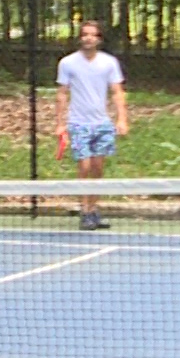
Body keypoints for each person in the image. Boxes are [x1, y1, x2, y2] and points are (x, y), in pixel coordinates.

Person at [54, 20, 129, 230]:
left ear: (99, 39)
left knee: (97, 168)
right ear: (80, 38)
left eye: (92, 35)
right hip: (78, 123)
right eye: (84, 34)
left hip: (102, 124)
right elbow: (61, 94)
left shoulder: (109, 63)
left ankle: (93, 209)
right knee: (84, 166)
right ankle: (84, 210)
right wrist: (60, 124)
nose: (88, 38)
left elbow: (117, 92)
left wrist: (121, 119)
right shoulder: (67, 63)